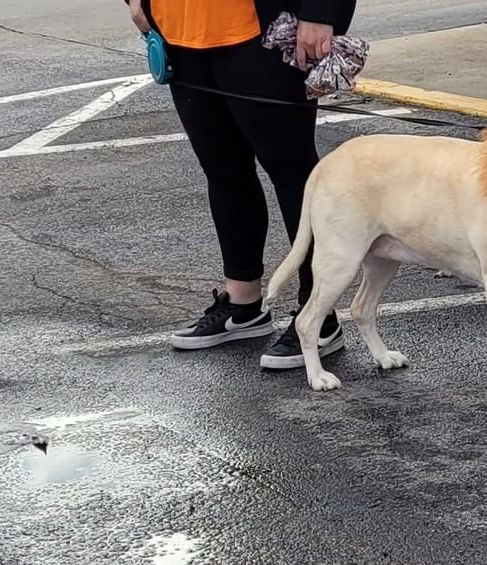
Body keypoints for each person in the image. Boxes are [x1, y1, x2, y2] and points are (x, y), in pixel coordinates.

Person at [126, 0, 357, 370]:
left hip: (260, 30)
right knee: (222, 168)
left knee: (294, 174)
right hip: (179, 32)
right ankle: (242, 303)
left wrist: (321, 12)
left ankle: (318, 312)